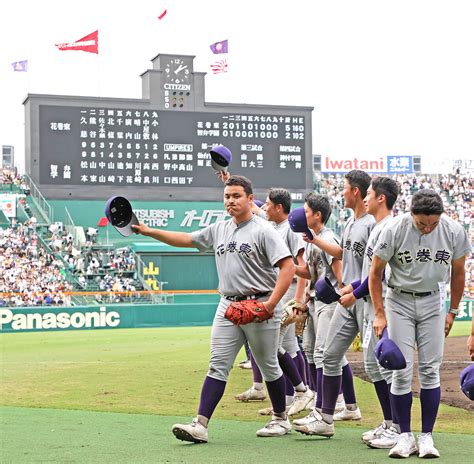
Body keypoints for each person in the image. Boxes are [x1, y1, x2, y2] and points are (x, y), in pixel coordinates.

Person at [132, 175, 295, 442]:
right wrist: (150, 231)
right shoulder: (219, 229)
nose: (230, 201)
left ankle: (280, 418)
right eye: (227, 196)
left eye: (236, 196)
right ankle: (200, 424)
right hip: (228, 305)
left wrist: (271, 305)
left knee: (269, 366)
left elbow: (287, 266)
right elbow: (185, 239)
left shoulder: (265, 230)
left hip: (260, 304)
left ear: (250, 199)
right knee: (217, 365)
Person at [369, 189, 471, 458]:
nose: (427, 228)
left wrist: (452, 311)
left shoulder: (453, 230)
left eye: (433, 223)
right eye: (422, 223)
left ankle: (426, 436)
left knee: (430, 369)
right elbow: (375, 273)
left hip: (434, 300)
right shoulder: (393, 229)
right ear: (411, 214)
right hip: (399, 300)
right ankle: (404, 436)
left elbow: (458, 274)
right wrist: (380, 314)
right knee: (401, 369)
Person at [296, 169, 374, 437]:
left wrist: (347, 289)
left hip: (360, 298)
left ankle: (393, 425)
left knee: (375, 364)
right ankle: (325, 416)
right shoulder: (351, 224)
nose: (342, 191)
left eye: (345, 187)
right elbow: (339, 256)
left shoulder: (370, 225)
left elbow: (365, 265)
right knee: (328, 355)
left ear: (355, 191)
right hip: (346, 298)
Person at [235, 188, 313, 415]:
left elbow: (300, 266)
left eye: (268, 204)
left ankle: (299, 393)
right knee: (283, 346)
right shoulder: (272, 226)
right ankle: (291, 398)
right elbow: (252, 207)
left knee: (281, 346)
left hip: (286, 291)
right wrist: (229, 179)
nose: (264, 207)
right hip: (275, 290)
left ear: (279, 207)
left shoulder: (290, 229)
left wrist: (298, 299)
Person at [338, 176, 402, 448]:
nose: (365, 197)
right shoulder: (377, 226)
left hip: (383, 306)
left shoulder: (389, 227)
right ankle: (389, 423)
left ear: (381, 198)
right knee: (374, 367)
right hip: (369, 306)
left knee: (387, 367)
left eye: (370, 193)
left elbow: (379, 275)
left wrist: (354, 292)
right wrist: (352, 287)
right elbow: (367, 274)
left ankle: (398, 427)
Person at [292, 193, 343, 431]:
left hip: (329, 303)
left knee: (324, 354)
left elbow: (339, 258)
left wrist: (343, 291)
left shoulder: (327, 236)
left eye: (307, 211)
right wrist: (287, 267)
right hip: (314, 301)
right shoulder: (311, 240)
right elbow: (308, 273)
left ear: (318, 215)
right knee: (311, 352)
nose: (303, 214)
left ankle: (327, 409)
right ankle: (321, 406)